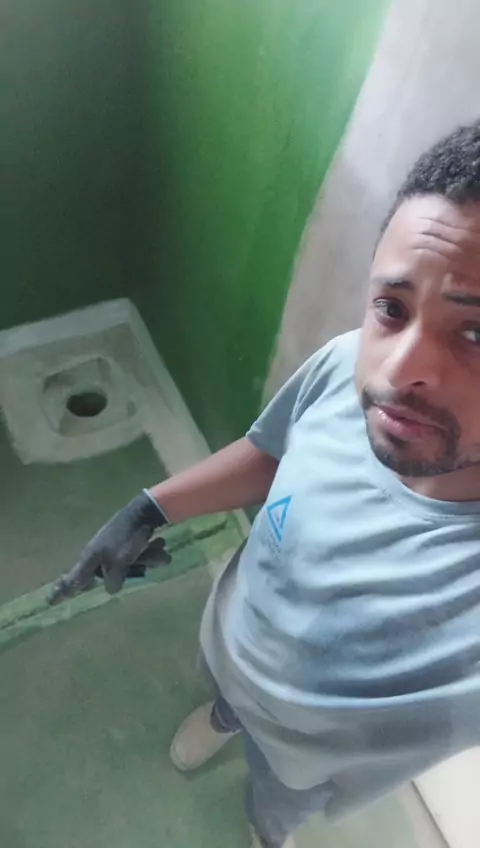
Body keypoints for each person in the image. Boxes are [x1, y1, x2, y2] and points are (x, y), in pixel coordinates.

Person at [49, 121, 480, 848]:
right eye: (393, 308)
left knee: (274, 805)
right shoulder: (344, 368)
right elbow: (271, 452)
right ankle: (226, 714)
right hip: (235, 643)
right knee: (230, 695)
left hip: (307, 761)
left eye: (477, 333)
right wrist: (149, 509)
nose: (401, 369)